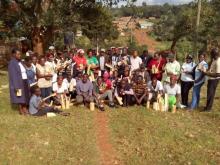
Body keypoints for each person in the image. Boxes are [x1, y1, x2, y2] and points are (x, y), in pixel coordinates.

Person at [8, 48, 30, 115]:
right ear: (14, 54)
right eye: (18, 54)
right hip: (18, 82)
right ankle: (21, 110)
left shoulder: (20, 62)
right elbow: (13, 75)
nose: (19, 55)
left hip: (24, 80)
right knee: (19, 95)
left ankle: (25, 108)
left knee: (25, 95)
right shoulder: (12, 63)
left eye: (20, 54)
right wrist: (16, 85)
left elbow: (25, 71)